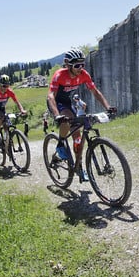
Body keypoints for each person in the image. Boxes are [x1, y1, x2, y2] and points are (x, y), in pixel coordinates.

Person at [47, 49, 116, 181]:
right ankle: (61, 143)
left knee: (78, 137)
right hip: (56, 102)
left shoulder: (84, 74)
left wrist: (108, 107)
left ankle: (78, 167)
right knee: (67, 120)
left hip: (67, 102)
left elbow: (95, 92)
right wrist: (57, 115)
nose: (80, 68)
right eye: (77, 65)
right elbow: (51, 96)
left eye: (82, 64)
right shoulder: (59, 75)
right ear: (68, 64)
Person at [0, 74, 27, 141]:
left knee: (6, 125)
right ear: (0, 85)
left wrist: (22, 110)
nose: (6, 88)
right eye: (4, 86)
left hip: (2, 109)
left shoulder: (10, 92)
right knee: (0, 118)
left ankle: (6, 143)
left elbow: (17, 102)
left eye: (7, 85)